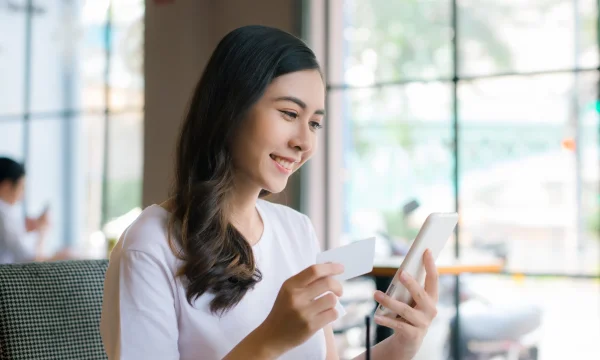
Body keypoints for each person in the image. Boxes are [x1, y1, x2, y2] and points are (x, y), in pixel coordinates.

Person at [100, 25, 440, 360]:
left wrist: (402, 345)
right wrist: (270, 341)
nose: (304, 142)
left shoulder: (296, 230)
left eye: (314, 123)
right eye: (290, 113)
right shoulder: (151, 244)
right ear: (229, 110)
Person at [0, 157, 69, 263]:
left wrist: (25, 230)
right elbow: (32, 261)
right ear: (7, 186)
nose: (23, 195)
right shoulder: (4, 214)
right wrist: (42, 231)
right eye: (21, 187)